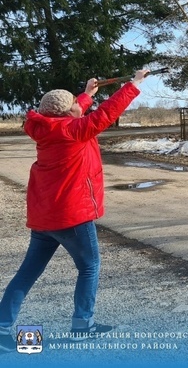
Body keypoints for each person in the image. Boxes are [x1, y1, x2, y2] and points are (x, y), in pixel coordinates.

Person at [0, 69, 150, 352]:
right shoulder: (74, 131)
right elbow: (107, 113)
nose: (78, 108)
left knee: (27, 272)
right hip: (71, 216)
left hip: (45, 218)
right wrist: (134, 84)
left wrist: (86, 93)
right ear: (67, 113)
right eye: (74, 105)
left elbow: (76, 110)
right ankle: (83, 326)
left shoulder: (46, 128)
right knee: (90, 266)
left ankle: (1, 326)